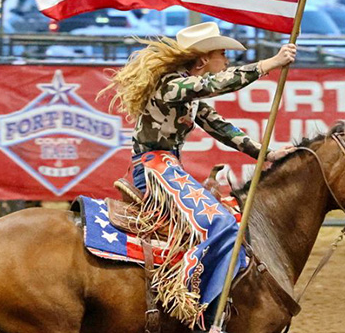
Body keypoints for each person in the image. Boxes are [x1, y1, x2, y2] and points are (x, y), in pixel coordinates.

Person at [99, 22, 296, 329]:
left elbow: (220, 126)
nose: (227, 59)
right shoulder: (172, 86)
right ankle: (203, 310)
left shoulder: (186, 93)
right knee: (220, 221)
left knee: (225, 215)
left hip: (166, 167)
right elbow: (218, 84)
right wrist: (270, 64)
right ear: (203, 59)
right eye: (222, 53)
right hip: (153, 168)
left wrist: (264, 153)